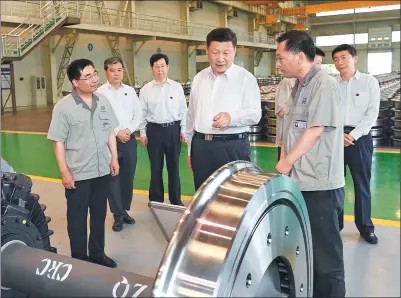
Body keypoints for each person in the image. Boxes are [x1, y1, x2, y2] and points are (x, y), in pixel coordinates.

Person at [275, 31, 345, 297]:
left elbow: (314, 130)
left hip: (320, 185)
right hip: (300, 181)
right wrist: (286, 163)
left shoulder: (324, 84)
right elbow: (292, 128)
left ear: (300, 56)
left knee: (327, 259)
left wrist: (287, 162)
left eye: (281, 57)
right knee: (307, 252)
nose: (278, 63)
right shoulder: (299, 85)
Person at [47, 59, 119, 268]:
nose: (94, 79)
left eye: (95, 74)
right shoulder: (63, 108)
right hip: (78, 173)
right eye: (87, 76)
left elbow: (110, 132)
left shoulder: (103, 101)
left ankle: (97, 253)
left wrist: (113, 157)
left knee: (98, 215)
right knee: (77, 219)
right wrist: (64, 172)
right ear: (75, 82)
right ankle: (79, 259)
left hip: (101, 170)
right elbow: (58, 142)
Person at [185, 27, 261, 190]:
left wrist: (231, 118)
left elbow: (255, 114)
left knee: (234, 196)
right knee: (203, 195)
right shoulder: (200, 78)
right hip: (201, 146)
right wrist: (191, 150)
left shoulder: (246, 79)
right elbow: (191, 115)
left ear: (234, 51)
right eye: (215, 52)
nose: (220, 58)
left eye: (226, 53)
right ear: (207, 51)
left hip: (232, 147)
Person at [332, 44, 380, 244]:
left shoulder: (369, 82)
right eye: (335, 59)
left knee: (362, 185)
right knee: (334, 185)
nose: (339, 62)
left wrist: (352, 135)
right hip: (334, 139)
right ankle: (336, 225)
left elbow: (372, 114)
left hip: (360, 140)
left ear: (355, 58)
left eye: (343, 57)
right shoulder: (331, 84)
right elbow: (328, 112)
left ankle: (365, 227)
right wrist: (336, 135)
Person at [97, 57, 142, 232]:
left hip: (129, 140)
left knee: (127, 178)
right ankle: (117, 215)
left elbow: (138, 114)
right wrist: (116, 132)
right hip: (110, 142)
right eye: (112, 70)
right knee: (113, 178)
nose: (116, 74)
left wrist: (128, 130)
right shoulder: (100, 93)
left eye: (119, 70)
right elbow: (101, 118)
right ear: (106, 72)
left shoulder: (130, 91)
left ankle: (124, 211)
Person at [139, 53, 187, 206]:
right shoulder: (146, 90)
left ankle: (176, 200)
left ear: (168, 67)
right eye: (156, 66)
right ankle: (156, 200)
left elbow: (183, 110)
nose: (160, 70)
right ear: (152, 69)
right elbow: (142, 113)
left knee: (174, 167)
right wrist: (143, 133)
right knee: (156, 167)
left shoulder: (176, 87)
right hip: (154, 132)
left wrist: (183, 130)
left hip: (173, 130)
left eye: (162, 66)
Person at [275, 47, 326, 160]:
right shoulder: (288, 82)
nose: (318, 68)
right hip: (289, 140)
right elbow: (281, 111)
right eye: (316, 63)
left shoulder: (322, 84)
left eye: (320, 64)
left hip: (305, 141)